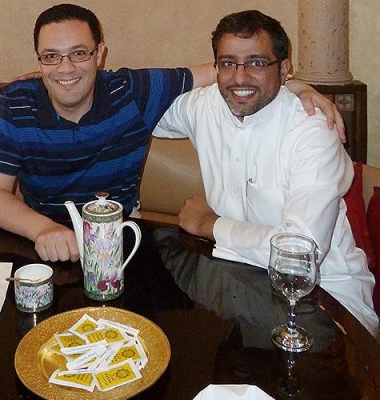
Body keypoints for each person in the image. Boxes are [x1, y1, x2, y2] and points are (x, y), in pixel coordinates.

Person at [0, 4, 343, 265]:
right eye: (51, 57)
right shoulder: (18, 101)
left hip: (125, 244)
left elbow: (227, 76)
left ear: (99, 54)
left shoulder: (132, 94)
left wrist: (293, 85)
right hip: (38, 245)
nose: (66, 67)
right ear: (39, 60)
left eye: (78, 53)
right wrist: (42, 230)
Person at [153, 10, 378, 335]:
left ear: (283, 68)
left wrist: (209, 224)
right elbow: (136, 105)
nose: (240, 78)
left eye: (256, 63)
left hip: (328, 301)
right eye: (228, 63)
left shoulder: (313, 132)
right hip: (239, 289)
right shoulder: (205, 106)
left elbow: (298, 256)